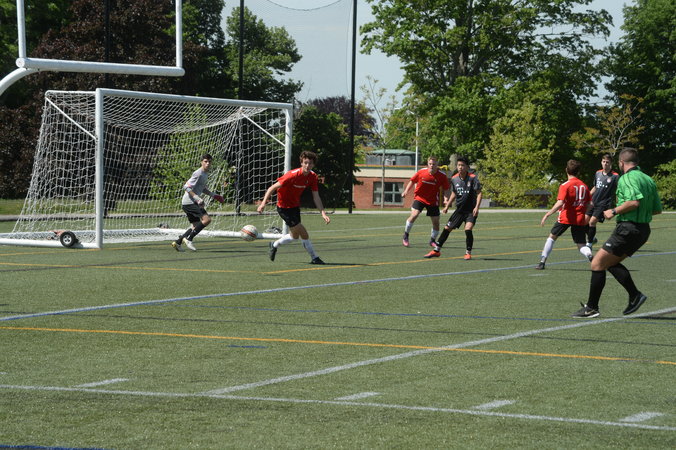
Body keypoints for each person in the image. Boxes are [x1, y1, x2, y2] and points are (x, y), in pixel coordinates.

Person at [572, 148, 662, 318]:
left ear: (621, 162)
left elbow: (634, 202)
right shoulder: (648, 179)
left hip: (628, 228)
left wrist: (613, 211)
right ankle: (635, 296)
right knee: (610, 263)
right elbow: (657, 210)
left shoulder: (627, 178)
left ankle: (592, 308)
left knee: (597, 263)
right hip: (643, 230)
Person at [257, 150, 330, 264]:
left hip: (295, 207)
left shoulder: (313, 177)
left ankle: (274, 244)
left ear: (313, 165)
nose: (307, 165)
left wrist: (323, 213)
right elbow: (272, 188)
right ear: (301, 163)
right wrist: (263, 204)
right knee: (303, 232)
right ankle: (315, 257)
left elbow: (316, 196)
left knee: (294, 236)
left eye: (310, 163)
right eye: (305, 163)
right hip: (284, 208)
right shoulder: (292, 175)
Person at [535, 159, 593, 270]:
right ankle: (589, 254)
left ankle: (542, 262)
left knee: (552, 238)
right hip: (579, 218)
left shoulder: (565, 185)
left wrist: (548, 214)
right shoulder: (584, 186)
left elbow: (560, 202)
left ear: (566, 170)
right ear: (578, 172)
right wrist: (586, 214)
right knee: (581, 244)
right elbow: (591, 204)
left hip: (566, 217)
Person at [424, 156, 482, 260]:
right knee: (447, 228)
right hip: (459, 210)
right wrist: (447, 206)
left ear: (467, 167)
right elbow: (454, 193)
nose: (460, 167)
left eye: (462, 165)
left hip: (470, 211)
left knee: (468, 229)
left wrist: (477, 207)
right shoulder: (454, 179)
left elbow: (479, 193)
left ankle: (468, 252)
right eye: (458, 165)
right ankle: (436, 250)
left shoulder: (473, 178)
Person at [172, 154, 224, 252]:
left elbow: (202, 188)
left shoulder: (205, 174)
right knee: (207, 219)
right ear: (201, 162)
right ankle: (189, 239)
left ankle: (178, 242)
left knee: (195, 225)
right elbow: (186, 187)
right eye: (205, 161)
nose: (207, 163)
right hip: (190, 202)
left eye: (209, 162)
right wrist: (197, 198)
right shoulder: (198, 173)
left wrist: (214, 195)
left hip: (189, 203)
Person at [401, 156, 451, 248]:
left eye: (434, 164)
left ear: (437, 165)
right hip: (419, 198)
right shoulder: (421, 172)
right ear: (428, 164)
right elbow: (412, 181)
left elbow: (446, 189)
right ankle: (406, 235)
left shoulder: (442, 176)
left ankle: (432, 240)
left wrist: (446, 199)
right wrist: (406, 191)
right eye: (430, 164)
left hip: (432, 200)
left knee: (436, 222)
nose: (432, 165)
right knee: (414, 215)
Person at [586, 153, 619, 248]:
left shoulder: (615, 176)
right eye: (603, 161)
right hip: (593, 202)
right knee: (583, 221)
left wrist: (618, 204)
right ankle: (592, 238)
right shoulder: (598, 173)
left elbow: (618, 190)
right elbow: (595, 187)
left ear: (611, 163)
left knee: (592, 222)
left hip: (603, 203)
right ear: (601, 162)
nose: (605, 164)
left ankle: (589, 244)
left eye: (607, 162)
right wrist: (587, 196)